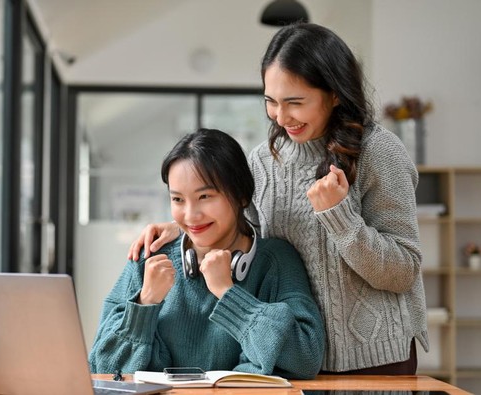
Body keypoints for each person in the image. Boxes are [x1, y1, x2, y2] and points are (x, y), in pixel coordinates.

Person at [127, 23, 428, 375]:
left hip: (376, 360)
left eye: (295, 103)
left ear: (334, 94)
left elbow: (403, 272)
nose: (281, 117)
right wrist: (185, 227)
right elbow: (243, 235)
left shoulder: (379, 152)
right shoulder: (261, 162)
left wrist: (340, 217)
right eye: (271, 102)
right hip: (291, 357)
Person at [89, 128, 325, 378]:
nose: (191, 215)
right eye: (178, 200)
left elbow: (305, 357)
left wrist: (228, 293)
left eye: (205, 196)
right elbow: (103, 367)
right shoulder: (150, 259)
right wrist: (146, 302)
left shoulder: (275, 261)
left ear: (241, 195)